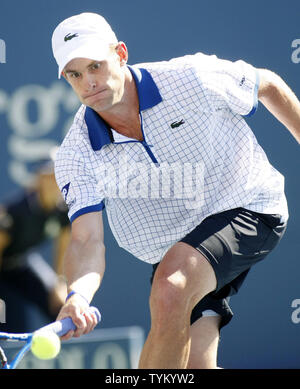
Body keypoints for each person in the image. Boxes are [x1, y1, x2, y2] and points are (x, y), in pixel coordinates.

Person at [51, 12, 300, 369]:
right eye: (74, 74)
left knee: (171, 287)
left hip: (249, 207)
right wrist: (77, 294)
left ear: (121, 53)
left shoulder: (191, 78)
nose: (88, 82)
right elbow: (86, 241)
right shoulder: (76, 153)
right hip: (174, 245)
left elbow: (269, 85)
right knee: (196, 365)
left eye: (95, 66)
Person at [0, 160, 70, 333]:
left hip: (23, 262)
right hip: (2, 270)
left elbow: (64, 244)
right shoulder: (16, 211)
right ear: (40, 179)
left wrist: (59, 282)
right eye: (51, 176)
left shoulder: (62, 210)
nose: (56, 182)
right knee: (15, 326)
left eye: (59, 176)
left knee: (62, 307)